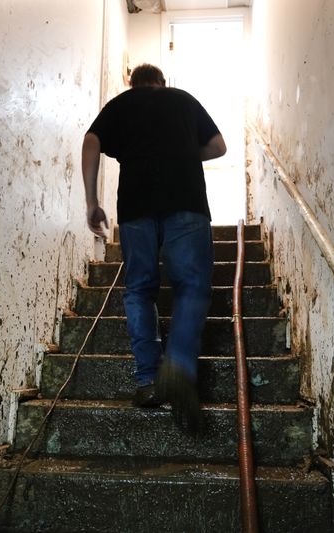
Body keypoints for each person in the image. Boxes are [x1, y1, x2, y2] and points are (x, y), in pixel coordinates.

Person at [81, 63, 226, 434]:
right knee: (191, 286)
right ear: (162, 82)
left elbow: (91, 141)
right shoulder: (182, 100)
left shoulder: (121, 104)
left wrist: (91, 202)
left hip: (135, 208)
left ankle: (148, 378)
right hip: (187, 202)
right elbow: (218, 147)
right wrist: (182, 155)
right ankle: (178, 364)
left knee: (140, 289)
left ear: (134, 83)